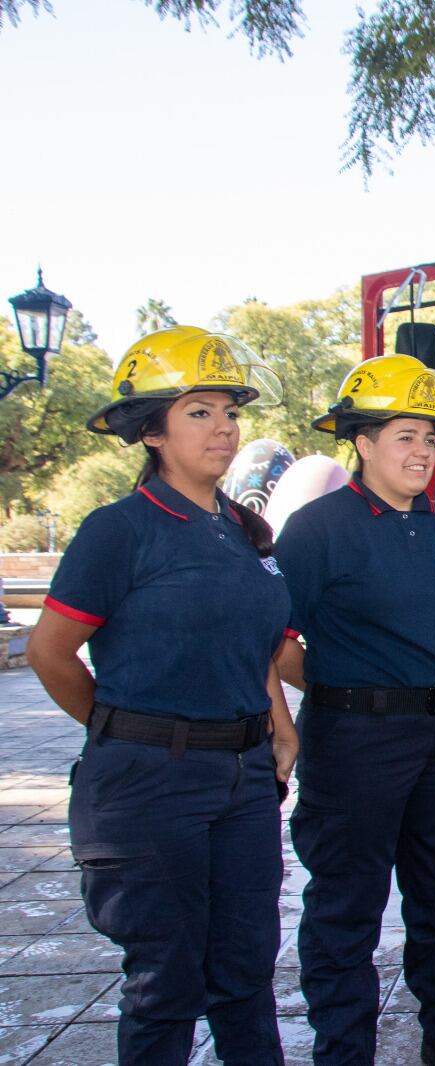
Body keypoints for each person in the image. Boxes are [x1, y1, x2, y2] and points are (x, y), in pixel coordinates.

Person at [27, 327, 295, 1065]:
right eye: (199, 413)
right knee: (165, 985)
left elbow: (256, 642)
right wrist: (125, 730)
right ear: (152, 432)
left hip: (242, 782)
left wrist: (280, 728)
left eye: (229, 413)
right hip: (150, 787)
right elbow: (49, 652)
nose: (224, 429)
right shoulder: (121, 531)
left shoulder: (242, 531)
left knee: (245, 975)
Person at [271, 356, 435, 1066]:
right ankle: (344, 1054)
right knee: (345, 908)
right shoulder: (316, 529)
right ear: (361, 443)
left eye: (428, 437)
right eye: (403, 436)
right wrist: (347, 687)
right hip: (359, 742)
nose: (422, 452)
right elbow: (272, 640)